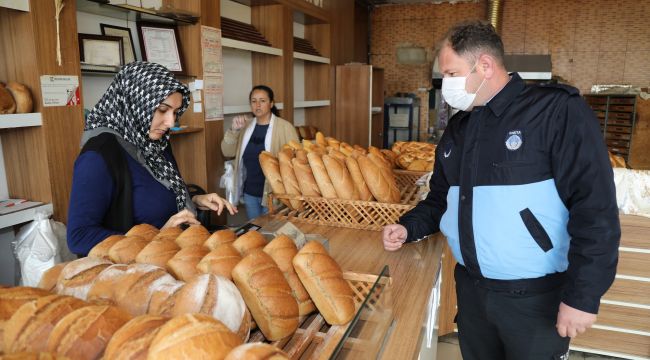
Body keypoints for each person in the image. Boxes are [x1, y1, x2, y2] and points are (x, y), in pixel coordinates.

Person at [383, 21, 620, 360]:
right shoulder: (459, 128)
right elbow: (439, 199)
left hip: (534, 300)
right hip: (472, 292)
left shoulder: (554, 111)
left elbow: (594, 208)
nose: (445, 85)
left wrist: (583, 296)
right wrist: (408, 227)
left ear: (485, 66)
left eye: (451, 74)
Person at [67, 62, 236, 256]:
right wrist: (154, 238)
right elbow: (79, 237)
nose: (171, 122)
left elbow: (153, 192)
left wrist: (195, 200)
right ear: (135, 101)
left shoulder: (154, 141)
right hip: (128, 276)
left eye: (175, 112)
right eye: (163, 110)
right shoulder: (98, 156)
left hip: (168, 259)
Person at [221, 85, 299, 220]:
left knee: (272, 231)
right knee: (256, 230)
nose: (257, 105)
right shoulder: (245, 126)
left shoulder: (285, 127)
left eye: (262, 101)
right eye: (253, 101)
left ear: (271, 103)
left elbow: (296, 160)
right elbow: (227, 152)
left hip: (274, 194)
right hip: (249, 192)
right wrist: (233, 131)